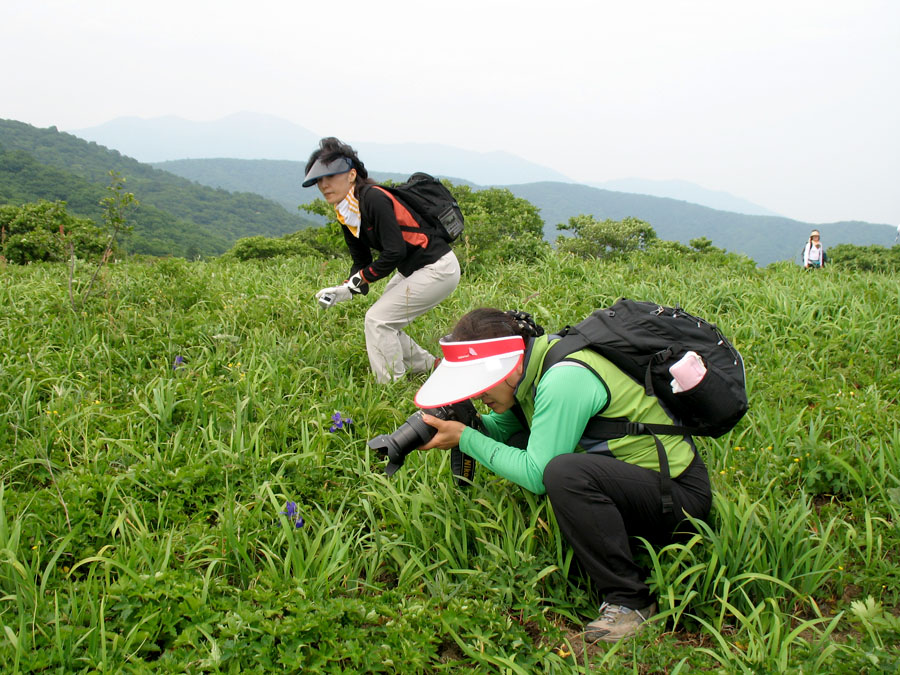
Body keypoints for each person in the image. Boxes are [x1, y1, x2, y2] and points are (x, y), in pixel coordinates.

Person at [415, 308, 712, 642]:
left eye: (482, 384)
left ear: (510, 366)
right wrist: (467, 426)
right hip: (640, 484)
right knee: (530, 444)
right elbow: (511, 432)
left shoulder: (562, 379)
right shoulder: (534, 369)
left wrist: (466, 439)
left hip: (679, 499)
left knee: (563, 473)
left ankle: (632, 602)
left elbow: (538, 475)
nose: (478, 395)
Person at [303, 138, 461, 383]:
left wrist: (361, 279)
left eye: (331, 177)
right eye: (319, 181)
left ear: (352, 174)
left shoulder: (373, 198)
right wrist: (346, 288)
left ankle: (391, 387)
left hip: (438, 268)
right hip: (415, 270)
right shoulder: (346, 211)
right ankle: (432, 366)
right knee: (385, 320)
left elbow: (394, 252)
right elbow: (362, 260)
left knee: (378, 320)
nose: (324, 185)